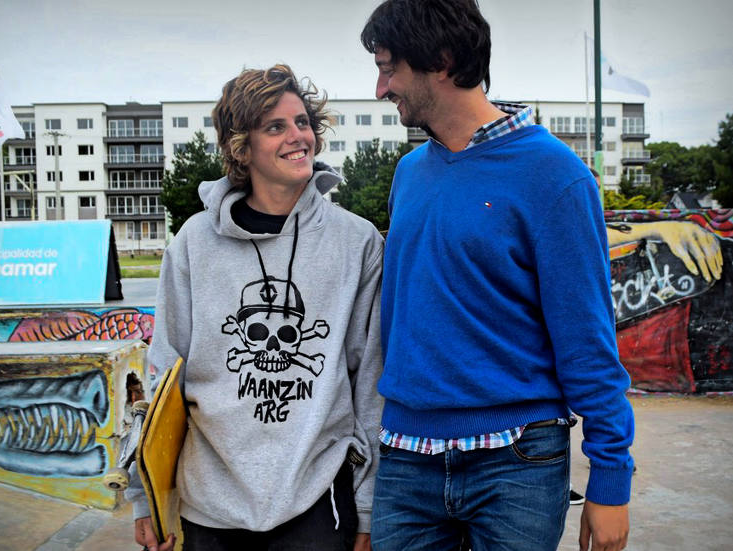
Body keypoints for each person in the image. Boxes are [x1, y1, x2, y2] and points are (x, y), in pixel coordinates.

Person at [360, 2, 635, 550]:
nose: (380, 87)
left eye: (389, 67)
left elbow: (588, 342)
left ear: (440, 60)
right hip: (406, 459)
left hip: (517, 464)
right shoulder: (410, 173)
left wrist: (610, 482)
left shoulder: (556, 176)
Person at [125, 64, 382, 551]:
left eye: (303, 122)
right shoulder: (193, 243)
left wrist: (367, 505)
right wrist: (148, 498)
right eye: (276, 126)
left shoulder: (357, 241)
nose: (298, 136)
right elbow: (163, 372)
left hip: (315, 493)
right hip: (210, 498)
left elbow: (368, 381)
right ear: (241, 146)